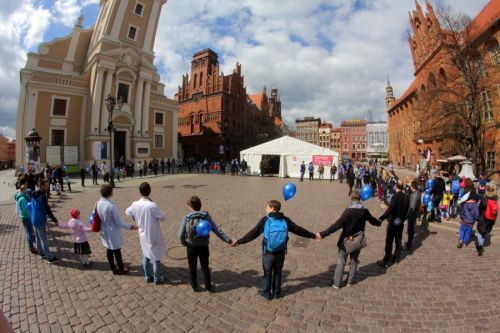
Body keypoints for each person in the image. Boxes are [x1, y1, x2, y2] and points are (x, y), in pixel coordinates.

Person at [233, 200, 316, 300]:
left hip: (268, 252)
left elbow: (253, 233)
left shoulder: (266, 220)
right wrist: (312, 235)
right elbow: (298, 229)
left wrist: (239, 241)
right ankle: (277, 293)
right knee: (278, 272)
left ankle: (266, 293)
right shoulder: (284, 220)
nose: (265, 209)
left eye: (267, 207)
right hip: (281, 251)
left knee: (267, 272)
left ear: (273, 208)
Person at [316, 189, 381, 288]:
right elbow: (372, 220)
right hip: (358, 240)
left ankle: (336, 283)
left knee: (341, 261)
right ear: (360, 198)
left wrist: (323, 234)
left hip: (346, 240)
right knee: (354, 260)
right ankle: (350, 282)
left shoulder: (348, 212)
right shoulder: (364, 211)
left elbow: (336, 225)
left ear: (351, 198)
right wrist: (379, 223)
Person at [178, 196, 233, 292]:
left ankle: (194, 286)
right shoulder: (206, 217)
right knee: (204, 266)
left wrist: (184, 243)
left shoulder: (187, 217)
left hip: (191, 246)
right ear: (200, 205)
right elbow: (217, 230)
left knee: (192, 267)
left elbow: (180, 234)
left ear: (191, 207)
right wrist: (229, 240)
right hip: (203, 246)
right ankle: (208, 286)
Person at [125, 182, 168, 284]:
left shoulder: (135, 204)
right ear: (150, 191)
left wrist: (135, 216)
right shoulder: (152, 205)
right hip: (153, 233)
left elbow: (127, 212)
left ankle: (148, 276)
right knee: (156, 256)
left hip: (142, 233)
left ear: (140, 192)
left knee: (146, 254)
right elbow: (162, 217)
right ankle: (157, 278)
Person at [97, 184, 138, 274]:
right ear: (110, 193)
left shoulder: (98, 203)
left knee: (109, 249)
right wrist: (131, 226)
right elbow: (118, 222)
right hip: (112, 230)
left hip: (104, 229)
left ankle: (113, 268)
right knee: (116, 250)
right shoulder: (111, 205)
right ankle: (121, 269)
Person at [377, 181, 409, 267]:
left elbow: (390, 209)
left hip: (393, 223)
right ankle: (396, 257)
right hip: (400, 223)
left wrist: (382, 217)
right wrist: (402, 219)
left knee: (389, 241)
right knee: (398, 240)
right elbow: (407, 211)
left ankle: (387, 259)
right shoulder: (406, 197)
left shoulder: (395, 197)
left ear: (396, 187)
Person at [30, 180, 60, 263]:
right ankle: (49, 257)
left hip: (34, 218)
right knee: (44, 239)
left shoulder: (33, 193)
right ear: (42, 186)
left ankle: (41, 253)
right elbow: (48, 210)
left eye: (48, 185)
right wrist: (55, 220)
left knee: (38, 237)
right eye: (46, 185)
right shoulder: (42, 196)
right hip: (40, 219)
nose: (48, 186)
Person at [476, 182, 498, 255]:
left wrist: (478, 216)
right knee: (484, 232)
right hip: (491, 220)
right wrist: (494, 221)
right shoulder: (495, 200)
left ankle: (480, 246)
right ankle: (481, 245)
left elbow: (479, 209)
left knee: (479, 232)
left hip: (483, 218)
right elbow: (496, 212)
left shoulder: (484, 199)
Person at [15, 184, 37, 254]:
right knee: (30, 233)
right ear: (22, 190)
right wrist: (30, 206)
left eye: (26, 189)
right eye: (25, 189)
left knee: (29, 232)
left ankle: (31, 246)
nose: (27, 190)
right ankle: (31, 248)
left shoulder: (25, 197)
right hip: (26, 217)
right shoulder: (22, 199)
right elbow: (24, 209)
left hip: (27, 217)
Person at [457, 183, 480, 249]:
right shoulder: (475, 205)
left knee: (461, 230)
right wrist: (477, 219)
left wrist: (462, 217)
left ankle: (461, 240)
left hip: (464, 220)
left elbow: (462, 212)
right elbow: (476, 214)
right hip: (471, 222)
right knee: (468, 233)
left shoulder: (466, 204)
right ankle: (464, 243)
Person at [405, 180, 421, 252]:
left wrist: (407, 215)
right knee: (410, 229)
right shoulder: (416, 192)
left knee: (410, 229)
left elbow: (412, 207)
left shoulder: (415, 195)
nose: (410, 187)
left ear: (413, 187)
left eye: (411, 186)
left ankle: (409, 245)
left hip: (412, 215)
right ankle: (409, 243)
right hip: (413, 214)